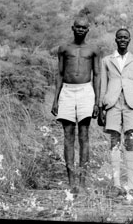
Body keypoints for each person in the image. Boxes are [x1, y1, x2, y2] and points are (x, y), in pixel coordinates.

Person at [51, 16, 100, 194]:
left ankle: (83, 180)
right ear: (72, 28)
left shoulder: (93, 49)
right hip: (67, 91)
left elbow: (97, 75)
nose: (80, 30)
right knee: (68, 135)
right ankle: (72, 181)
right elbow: (59, 74)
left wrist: (97, 100)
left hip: (86, 91)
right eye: (77, 27)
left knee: (84, 135)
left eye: (83, 28)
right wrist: (56, 99)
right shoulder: (64, 48)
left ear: (88, 29)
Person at [99, 28, 133, 196]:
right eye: (119, 37)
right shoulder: (107, 60)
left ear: (129, 39)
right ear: (115, 39)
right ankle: (116, 184)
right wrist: (101, 107)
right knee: (114, 141)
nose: (122, 40)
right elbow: (103, 84)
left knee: (130, 141)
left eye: (125, 37)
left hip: (131, 103)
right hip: (112, 103)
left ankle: (130, 185)